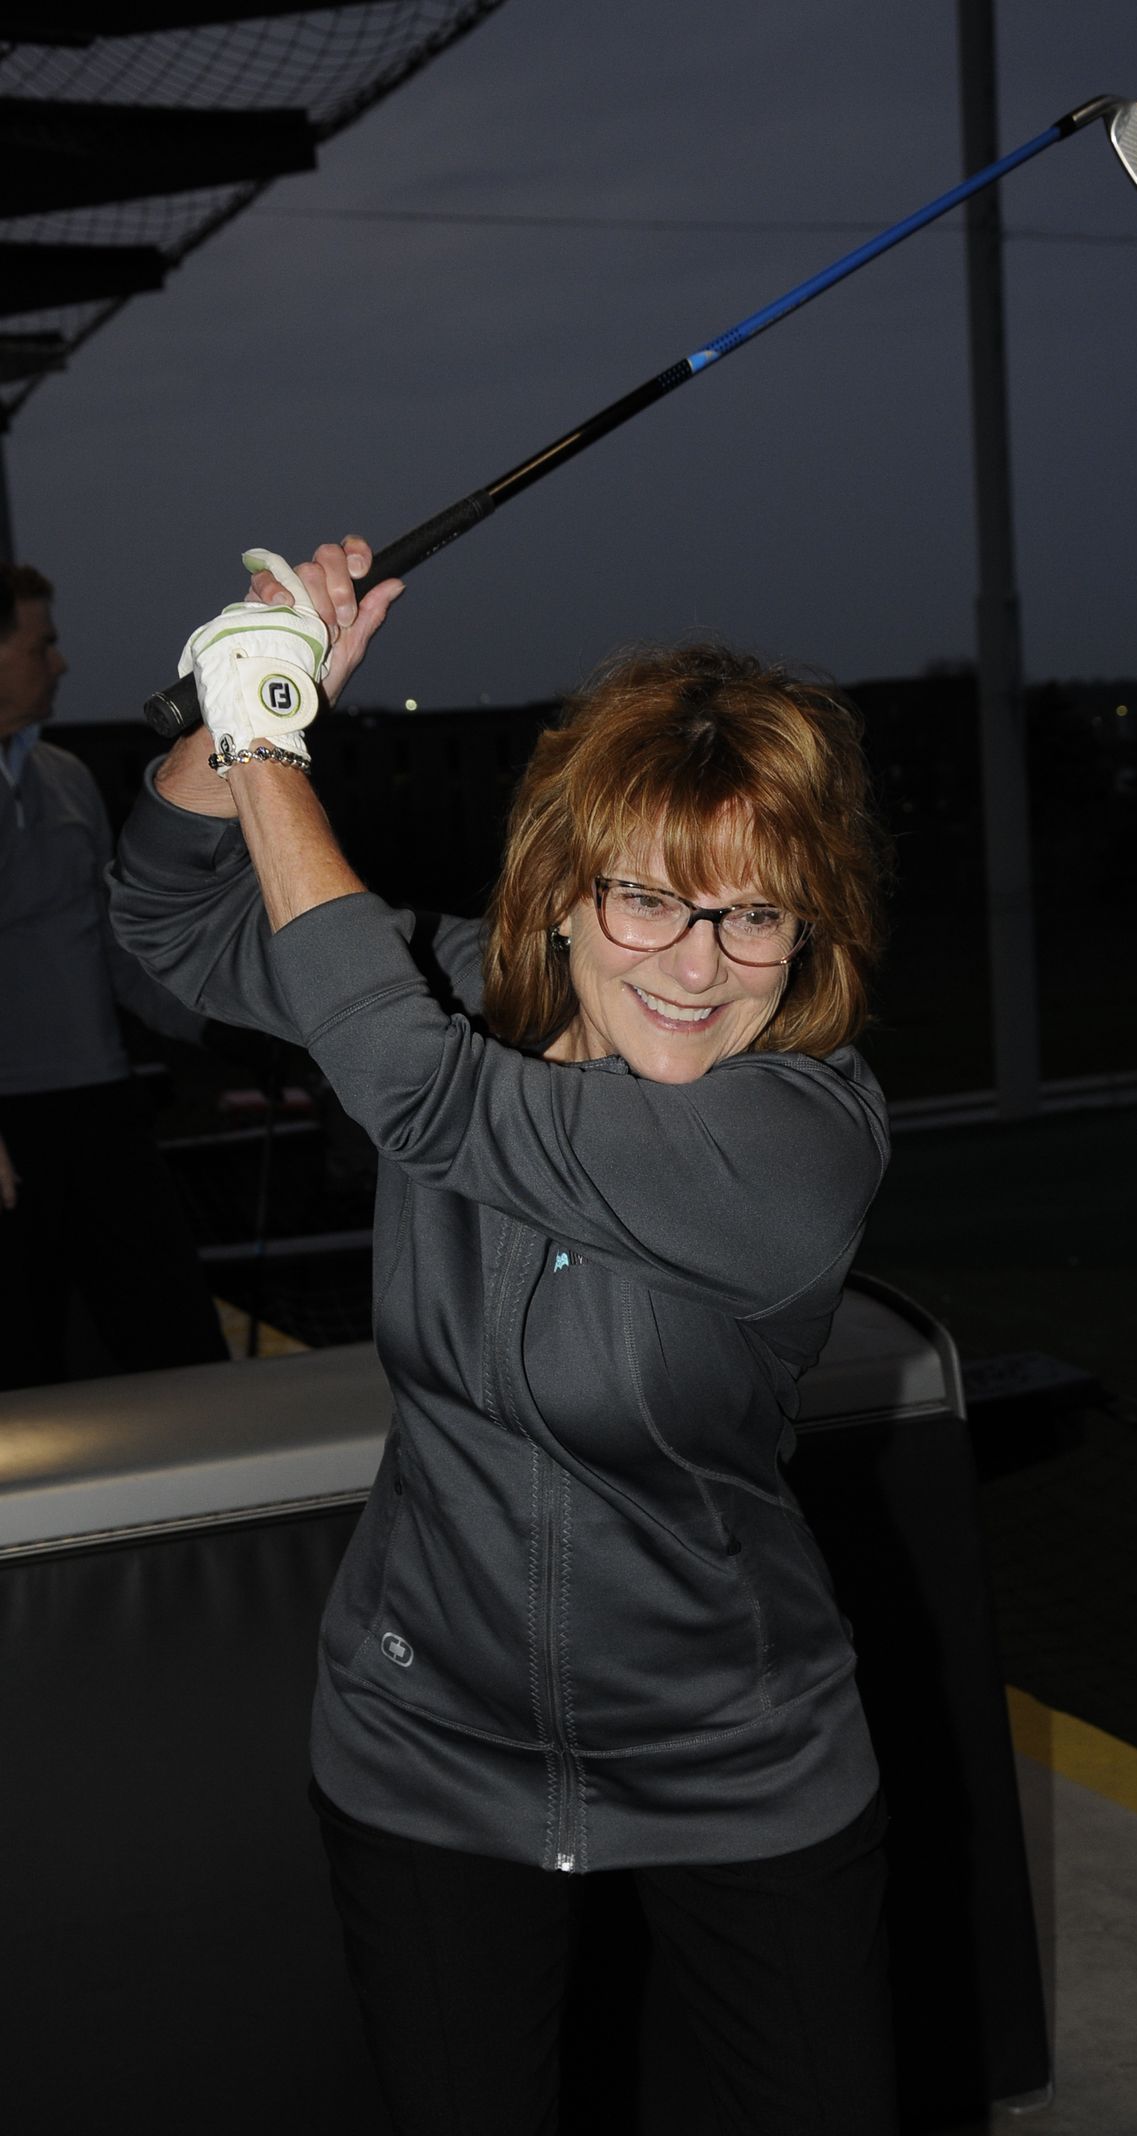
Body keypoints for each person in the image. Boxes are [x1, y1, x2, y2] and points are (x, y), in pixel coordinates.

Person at [109, 537, 897, 2134]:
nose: (696, 968)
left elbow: (414, 1089)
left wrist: (274, 746)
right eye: (648, 901)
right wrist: (243, 705)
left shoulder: (799, 1137)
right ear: (565, 889)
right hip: (422, 1745)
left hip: (734, 1764)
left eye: (756, 922)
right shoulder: (469, 995)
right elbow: (168, 924)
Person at [0, 561, 226, 1389]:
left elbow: (116, 949)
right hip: (7, 1129)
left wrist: (222, 1026)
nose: (59, 663)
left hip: (100, 1107)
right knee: (20, 1370)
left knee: (177, 1344)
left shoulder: (65, 779)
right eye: (42, 643)